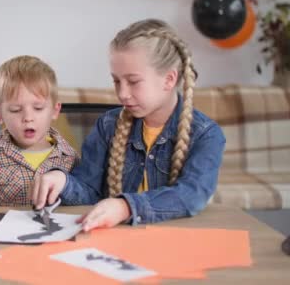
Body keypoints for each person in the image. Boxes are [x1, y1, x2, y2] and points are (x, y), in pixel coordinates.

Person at [32, 19, 225, 231]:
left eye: (133, 82)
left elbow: (191, 195)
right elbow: (88, 188)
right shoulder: (107, 125)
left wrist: (126, 207)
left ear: (169, 80)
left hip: (173, 243)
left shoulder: (206, 135)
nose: (122, 93)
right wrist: (63, 181)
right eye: (116, 81)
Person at [0, 55, 78, 206]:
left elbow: (83, 195)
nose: (28, 117)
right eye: (15, 110)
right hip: (3, 229)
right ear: (0, 115)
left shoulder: (70, 157)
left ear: (55, 111)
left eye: (38, 108)